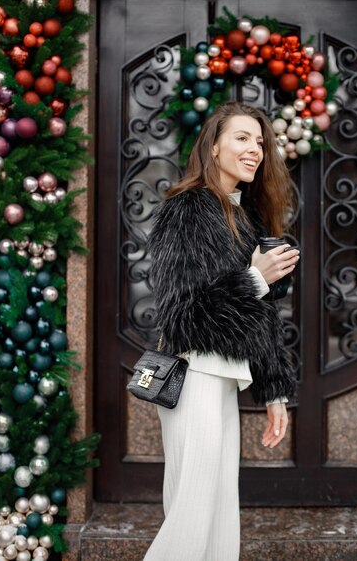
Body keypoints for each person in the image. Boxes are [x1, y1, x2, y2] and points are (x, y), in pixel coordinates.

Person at [144, 101, 299, 561]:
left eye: (259, 141)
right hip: (193, 379)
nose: (255, 149)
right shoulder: (189, 209)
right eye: (241, 138)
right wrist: (255, 278)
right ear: (213, 147)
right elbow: (180, 316)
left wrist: (274, 390)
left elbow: (259, 315)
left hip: (221, 379)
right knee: (191, 523)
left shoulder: (240, 215)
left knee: (217, 523)